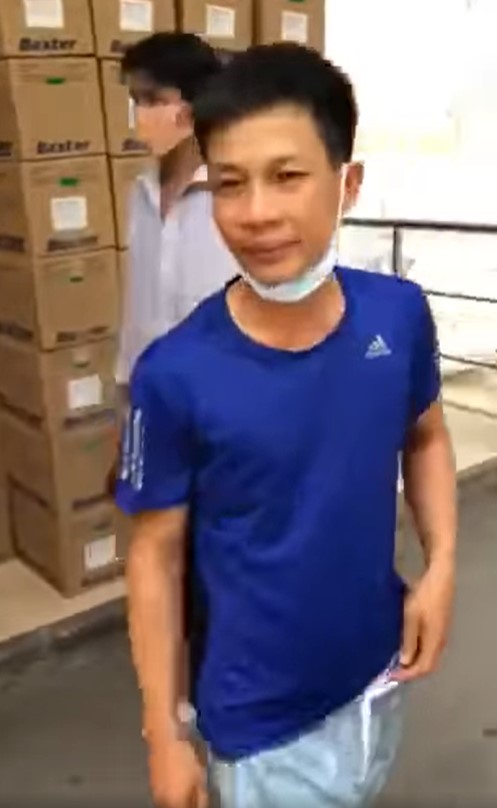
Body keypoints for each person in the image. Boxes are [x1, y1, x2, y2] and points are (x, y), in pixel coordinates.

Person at [115, 43, 457, 808]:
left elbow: (425, 435)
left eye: (287, 176)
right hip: (261, 723)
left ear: (347, 183)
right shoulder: (174, 373)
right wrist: (164, 734)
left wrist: (438, 568)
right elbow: (154, 557)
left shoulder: (397, 314)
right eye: (229, 184)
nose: (257, 213)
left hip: (378, 671)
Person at [115, 31, 237, 394]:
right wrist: (124, 380)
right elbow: (137, 303)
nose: (141, 114)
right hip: (154, 390)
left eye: (154, 99)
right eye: (135, 100)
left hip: (220, 394)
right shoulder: (142, 193)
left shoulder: (235, 195)